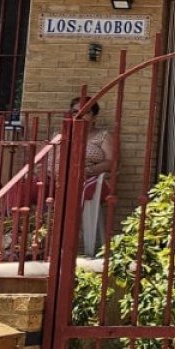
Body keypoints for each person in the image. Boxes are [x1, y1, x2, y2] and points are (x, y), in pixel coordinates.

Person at [70, 96, 118, 256]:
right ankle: (13, 241)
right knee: (23, 186)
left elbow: (112, 163)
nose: (79, 116)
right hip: (61, 180)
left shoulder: (103, 136)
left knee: (78, 190)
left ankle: (71, 243)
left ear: (94, 116)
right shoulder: (63, 134)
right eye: (75, 112)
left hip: (94, 181)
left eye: (85, 112)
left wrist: (88, 171)